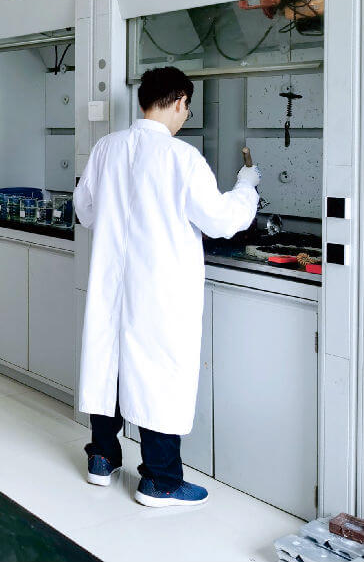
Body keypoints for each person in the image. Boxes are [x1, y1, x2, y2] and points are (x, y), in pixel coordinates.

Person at [73, 67, 261, 507]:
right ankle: (160, 481)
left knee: (109, 363)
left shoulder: (106, 148)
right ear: (179, 101)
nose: (185, 116)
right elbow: (222, 220)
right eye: (186, 108)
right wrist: (247, 187)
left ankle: (102, 458)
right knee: (157, 374)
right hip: (159, 291)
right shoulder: (182, 158)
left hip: (113, 284)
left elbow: (85, 210)